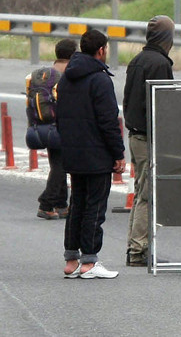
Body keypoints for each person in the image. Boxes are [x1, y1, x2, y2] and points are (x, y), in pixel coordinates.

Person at [57, 29, 126, 279]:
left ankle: (71, 260)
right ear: (101, 50)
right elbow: (109, 122)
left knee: (76, 205)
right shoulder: (99, 79)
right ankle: (89, 261)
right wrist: (118, 153)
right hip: (96, 155)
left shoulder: (66, 78)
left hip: (73, 154)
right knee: (94, 208)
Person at [122, 15, 175, 267]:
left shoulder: (137, 60)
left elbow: (127, 99)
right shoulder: (159, 64)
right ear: (167, 37)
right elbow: (165, 104)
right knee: (147, 195)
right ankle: (138, 250)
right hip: (149, 136)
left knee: (140, 190)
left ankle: (135, 246)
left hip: (135, 135)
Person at [28, 38, 76, 221]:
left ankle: (61, 205)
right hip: (62, 126)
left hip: (43, 126)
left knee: (57, 164)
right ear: (73, 55)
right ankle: (46, 203)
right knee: (61, 166)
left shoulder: (45, 74)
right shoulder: (69, 75)